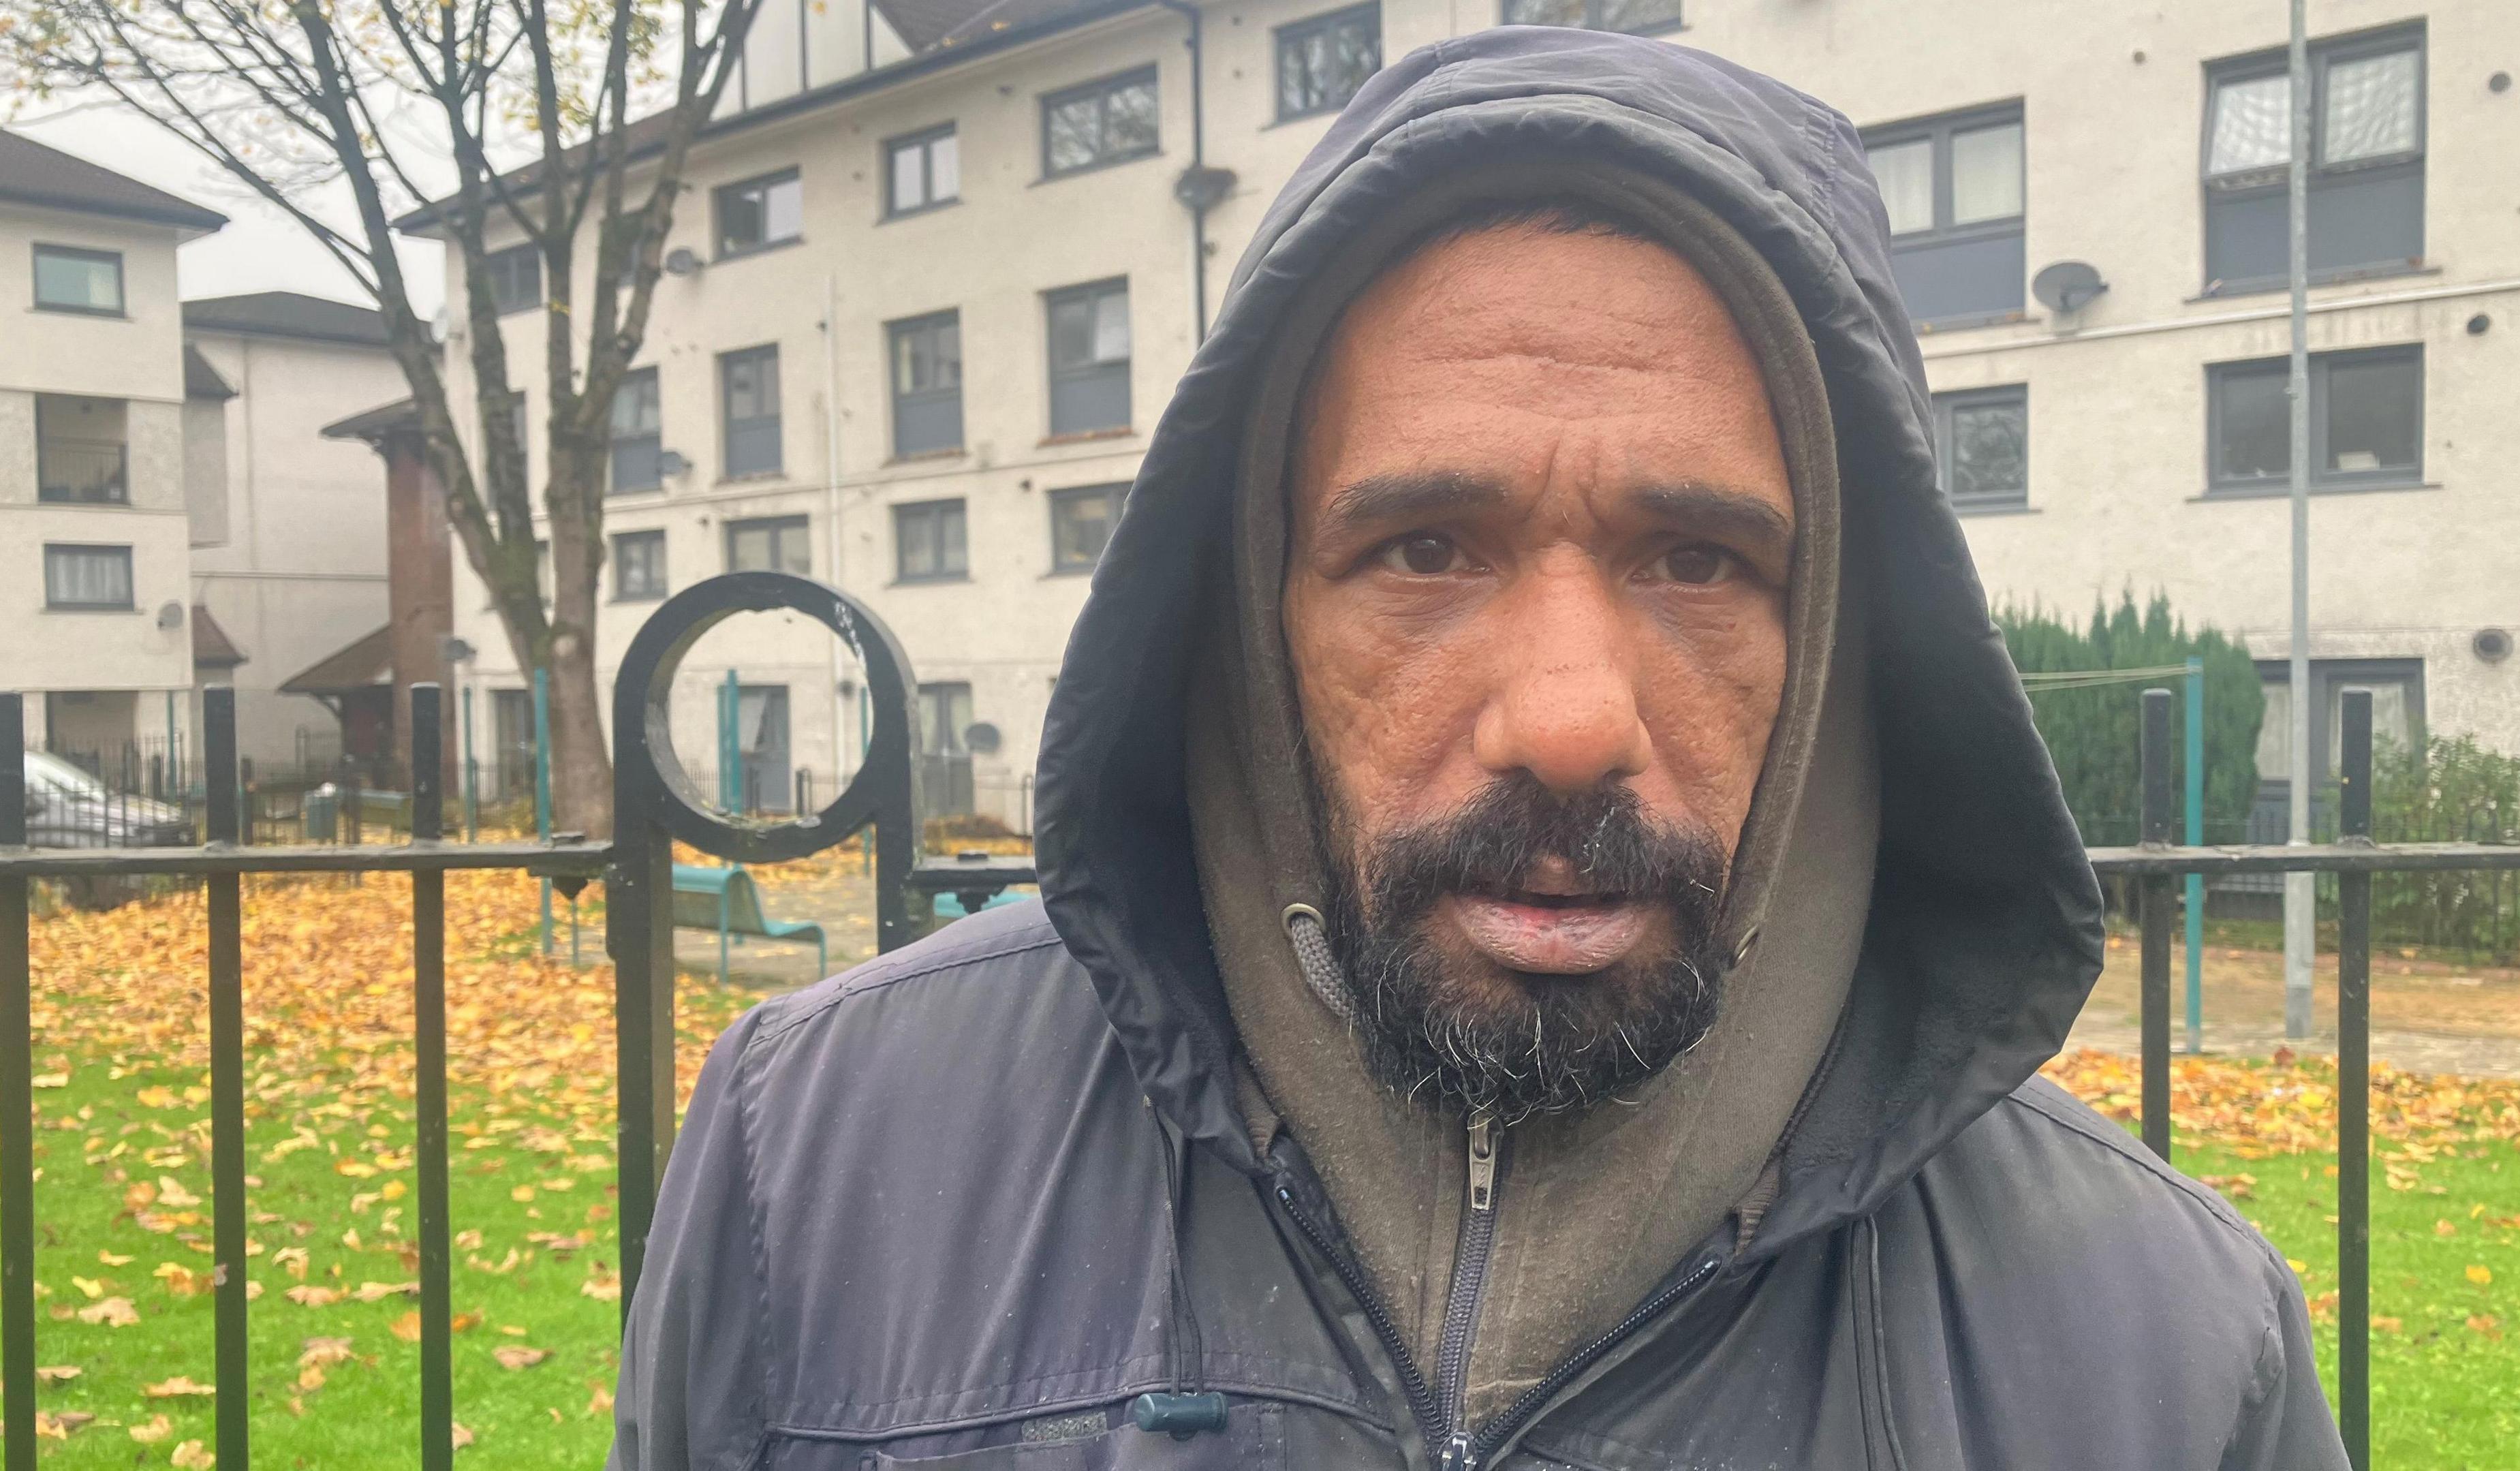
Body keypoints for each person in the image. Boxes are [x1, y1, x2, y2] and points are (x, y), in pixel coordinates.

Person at [612, 27, 2344, 1471]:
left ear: (1838, 645)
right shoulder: (815, 1159)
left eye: (1700, 561)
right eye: (1424, 550)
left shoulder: (2172, 1365)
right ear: (1249, 614)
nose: (1575, 722)